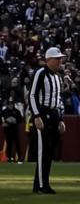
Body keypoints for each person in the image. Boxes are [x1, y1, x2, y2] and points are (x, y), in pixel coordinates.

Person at [29, 47, 67, 193]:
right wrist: (37, 116)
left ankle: (45, 183)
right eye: (57, 59)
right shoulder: (41, 73)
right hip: (43, 114)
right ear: (49, 60)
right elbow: (32, 95)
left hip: (54, 114)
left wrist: (61, 119)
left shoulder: (57, 77)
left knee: (50, 151)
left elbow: (58, 100)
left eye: (60, 59)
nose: (60, 61)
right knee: (42, 151)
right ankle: (39, 185)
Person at [3, 95, 25, 163]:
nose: (10, 105)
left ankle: (20, 157)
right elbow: (1, 120)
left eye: (11, 104)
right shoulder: (4, 111)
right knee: (9, 144)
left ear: (13, 104)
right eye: (9, 104)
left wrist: (15, 121)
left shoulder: (17, 111)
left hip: (14, 130)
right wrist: (5, 123)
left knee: (17, 144)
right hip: (7, 130)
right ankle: (8, 157)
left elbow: (21, 120)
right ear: (7, 104)